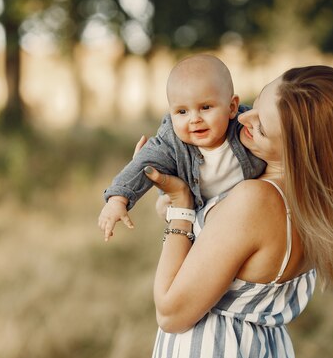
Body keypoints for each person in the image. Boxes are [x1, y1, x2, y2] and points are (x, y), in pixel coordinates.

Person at [141, 65, 333, 358]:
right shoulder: (315, 207)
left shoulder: (255, 202)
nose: (243, 119)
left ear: (301, 151)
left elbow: (171, 312)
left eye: (262, 127)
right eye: (254, 105)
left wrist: (180, 203)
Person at [98, 54, 266, 241]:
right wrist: (117, 200)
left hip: (248, 216)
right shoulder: (171, 142)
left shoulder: (247, 126)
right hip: (202, 223)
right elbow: (141, 165)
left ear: (232, 107)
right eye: (182, 111)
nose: (194, 119)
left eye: (206, 107)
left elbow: (280, 138)